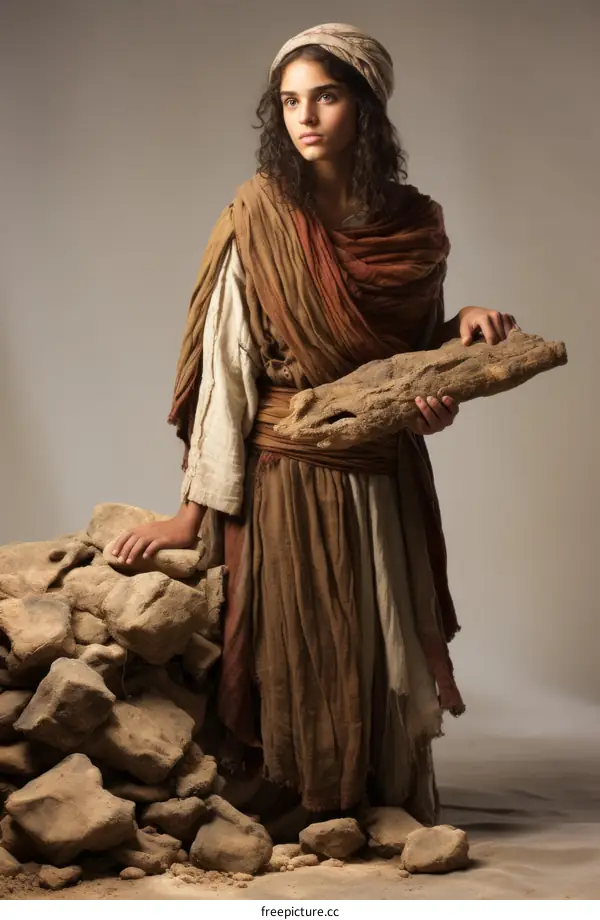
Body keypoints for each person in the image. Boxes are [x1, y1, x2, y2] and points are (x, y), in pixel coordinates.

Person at [111, 23, 518, 824]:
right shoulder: (259, 217)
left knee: (373, 639)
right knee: (299, 641)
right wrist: (191, 514)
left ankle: (370, 799)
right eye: (291, 100)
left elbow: (402, 366)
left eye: (326, 96)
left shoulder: (414, 225)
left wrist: (448, 358)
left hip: (379, 475)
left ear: (365, 106)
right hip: (284, 475)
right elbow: (227, 377)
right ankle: (302, 800)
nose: (306, 116)